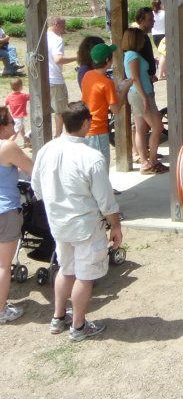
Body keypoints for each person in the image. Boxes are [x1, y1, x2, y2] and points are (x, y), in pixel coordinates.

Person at [31, 102, 122, 341]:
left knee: (65, 269)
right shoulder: (91, 156)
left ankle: (58, 317)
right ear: (85, 123)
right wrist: (116, 225)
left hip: (58, 224)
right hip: (85, 225)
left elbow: (36, 187)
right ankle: (79, 326)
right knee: (85, 275)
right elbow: (105, 199)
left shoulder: (46, 150)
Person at [0, 106, 33, 323]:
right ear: (3, 127)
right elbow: (33, 168)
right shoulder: (8, 147)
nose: (15, 126)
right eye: (12, 123)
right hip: (5, 211)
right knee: (3, 265)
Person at [81, 43, 133, 170]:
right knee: (101, 167)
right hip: (98, 129)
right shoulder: (106, 82)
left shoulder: (87, 75)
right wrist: (124, 90)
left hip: (85, 127)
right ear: (108, 61)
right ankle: (103, 190)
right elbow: (116, 109)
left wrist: (117, 90)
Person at [122, 28, 167, 174]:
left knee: (141, 128)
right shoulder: (133, 55)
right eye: (142, 38)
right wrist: (144, 97)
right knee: (157, 127)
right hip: (141, 94)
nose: (144, 40)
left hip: (140, 93)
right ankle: (152, 160)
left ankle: (144, 162)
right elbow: (134, 78)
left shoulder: (131, 55)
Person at [47, 16, 75, 137]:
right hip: (55, 78)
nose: (64, 30)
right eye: (63, 26)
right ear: (56, 24)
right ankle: (57, 136)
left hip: (42, 79)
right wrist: (76, 58)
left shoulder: (41, 36)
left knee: (45, 110)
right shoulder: (57, 39)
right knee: (61, 111)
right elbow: (58, 59)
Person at [5, 78, 29, 148]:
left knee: (22, 130)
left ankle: (26, 142)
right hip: (19, 118)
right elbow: (31, 96)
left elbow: (5, 103)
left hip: (14, 117)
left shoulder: (9, 96)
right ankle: (7, 145)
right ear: (20, 87)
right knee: (15, 133)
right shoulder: (23, 96)